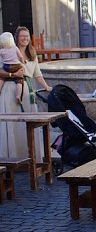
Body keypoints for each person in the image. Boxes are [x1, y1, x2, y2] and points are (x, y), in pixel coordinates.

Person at [0, 26, 52, 160]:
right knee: (13, 125)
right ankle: (12, 159)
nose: (25, 38)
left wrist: (46, 86)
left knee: (27, 126)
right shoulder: (7, 51)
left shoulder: (32, 54)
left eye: (27, 36)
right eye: (22, 36)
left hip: (27, 91)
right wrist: (13, 74)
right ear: (16, 38)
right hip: (10, 90)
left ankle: (29, 157)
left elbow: (37, 74)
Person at [0, 31, 26, 104]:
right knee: (20, 80)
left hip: (6, 66)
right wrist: (23, 61)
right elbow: (21, 57)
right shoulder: (15, 48)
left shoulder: (2, 50)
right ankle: (18, 95)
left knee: (1, 78)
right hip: (16, 65)